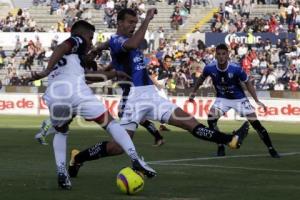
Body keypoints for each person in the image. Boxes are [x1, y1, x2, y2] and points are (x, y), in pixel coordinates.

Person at [67, 8, 250, 178]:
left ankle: (230, 140)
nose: (133, 26)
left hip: (152, 96)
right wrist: (146, 19)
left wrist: (99, 49)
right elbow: (129, 43)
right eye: (130, 22)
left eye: (135, 22)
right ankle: (78, 158)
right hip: (134, 98)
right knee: (117, 147)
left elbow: (117, 59)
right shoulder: (119, 41)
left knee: (190, 122)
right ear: (119, 23)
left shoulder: (118, 45)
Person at [25, 20, 156, 190]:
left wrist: (114, 73)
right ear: (84, 34)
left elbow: (88, 77)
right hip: (75, 91)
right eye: (91, 38)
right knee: (111, 123)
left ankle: (62, 174)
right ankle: (135, 159)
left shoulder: (73, 58)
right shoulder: (77, 40)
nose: (91, 43)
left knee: (62, 131)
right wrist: (46, 71)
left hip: (55, 95)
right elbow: (62, 47)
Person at [189, 43, 280, 158]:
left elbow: (248, 83)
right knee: (211, 120)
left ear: (228, 55)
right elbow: (201, 79)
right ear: (215, 56)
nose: (221, 56)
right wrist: (193, 92)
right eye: (219, 54)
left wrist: (256, 100)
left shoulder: (236, 68)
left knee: (256, 124)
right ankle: (221, 146)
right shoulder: (209, 68)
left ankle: (271, 149)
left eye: (224, 54)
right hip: (222, 99)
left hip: (239, 99)